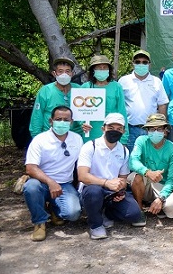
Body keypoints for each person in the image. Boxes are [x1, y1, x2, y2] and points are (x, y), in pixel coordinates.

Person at [77, 113, 142, 240]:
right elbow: (82, 176)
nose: (115, 131)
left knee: (134, 214)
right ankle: (96, 225)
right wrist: (106, 183)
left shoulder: (123, 151)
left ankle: (106, 212)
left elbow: (123, 177)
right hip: (92, 188)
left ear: (123, 131)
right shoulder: (90, 146)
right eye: (111, 127)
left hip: (112, 191)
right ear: (103, 128)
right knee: (94, 192)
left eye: (119, 129)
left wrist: (121, 189)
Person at [23, 106, 83, 241]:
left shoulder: (77, 139)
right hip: (42, 182)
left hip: (65, 184)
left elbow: (81, 163)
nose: (62, 122)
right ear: (51, 121)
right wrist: (50, 182)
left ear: (71, 122)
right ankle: (39, 222)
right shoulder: (40, 140)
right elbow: (31, 168)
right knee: (31, 187)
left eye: (66, 120)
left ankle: (54, 210)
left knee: (73, 214)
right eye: (58, 119)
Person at [128, 113, 173, 223]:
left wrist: (161, 198)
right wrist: (147, 172)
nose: (155, 132)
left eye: (159, 129)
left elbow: (171, 179)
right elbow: (132, 161)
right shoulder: (141, 141)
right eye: (152, 129)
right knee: (136, 177)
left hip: (162, 185)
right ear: (147, 130)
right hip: (145, 180)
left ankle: (158, 205)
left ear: (166, 131)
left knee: (172, 205)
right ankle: (139, 209)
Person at [118, 49, 169, 153]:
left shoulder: (156, 81)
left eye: (144, 62)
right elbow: (119, 104)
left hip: (152, 129)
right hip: (130, 129)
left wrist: (162, 126)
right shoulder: (123, 81)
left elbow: (162, 105)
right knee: (131, 161)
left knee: (151, 159)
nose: (141, 64)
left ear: (149, 65)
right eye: (137, 62)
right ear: (133, 64)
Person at [81, 55, 129, 145]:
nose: (102, 70)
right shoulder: (85, 87)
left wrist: (124, 137)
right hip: (90, 133)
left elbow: (122, 112)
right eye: (99, 68)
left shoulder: (116, 87)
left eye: (104, 68)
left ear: (109, 70)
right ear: (93, 70)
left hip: (112, 132)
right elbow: (79, 112)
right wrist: (82, 124)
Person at [29, 57, 82, 138]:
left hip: (74, 137)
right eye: (60, 71)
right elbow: (37, 116)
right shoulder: (45, 91)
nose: (64, 74)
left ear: (72, 73)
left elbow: (86, 113)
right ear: (54, 73)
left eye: (67, 71)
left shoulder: (79, 90)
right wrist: (36, 138)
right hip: (50, 138)